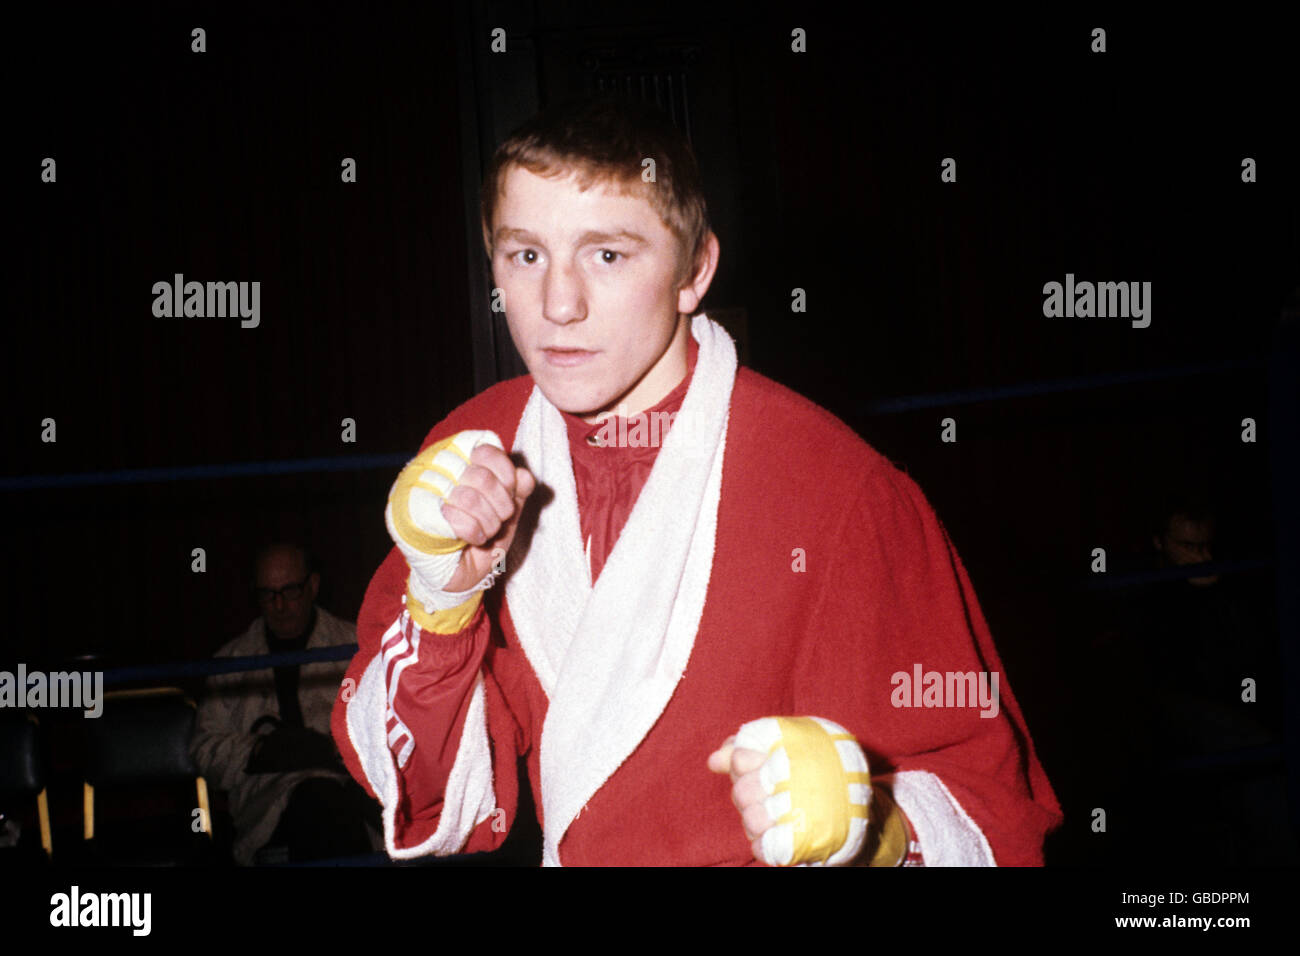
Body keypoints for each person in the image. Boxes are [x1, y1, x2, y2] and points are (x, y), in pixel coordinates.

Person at [332, 95, 1062, 866]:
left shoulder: (840, 489)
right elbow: (422, 786)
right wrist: (442, 605)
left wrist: (876, 827)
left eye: (607, 255)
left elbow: (991, 804)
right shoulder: (477, 444)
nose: (557, 305)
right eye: (526, 255)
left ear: (695, 271)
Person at [191, 542, 379, 864]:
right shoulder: (230, 662)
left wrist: (336, 752)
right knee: (319, 803)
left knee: (327, 803)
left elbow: (390, 735)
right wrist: (261, 751)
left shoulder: (355, 647)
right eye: (268, 594)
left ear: (313, 586)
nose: (279, 606)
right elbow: (204, 751)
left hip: (354, 799)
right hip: (267, 809)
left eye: (290, 591)